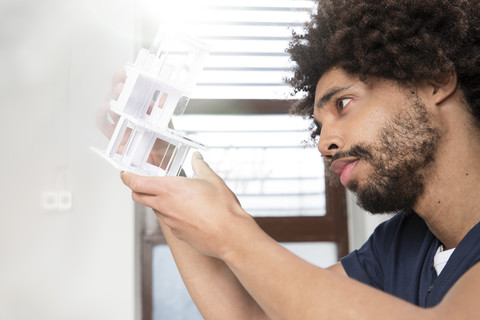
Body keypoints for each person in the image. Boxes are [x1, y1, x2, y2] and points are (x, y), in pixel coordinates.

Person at [112, 0, 480, 318]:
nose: (324, 144)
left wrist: (231, 231)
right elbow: (253, 316)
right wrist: (159, 162)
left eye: (343, 103)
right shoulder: (400, 243)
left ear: (434, 80)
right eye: (318, 125)